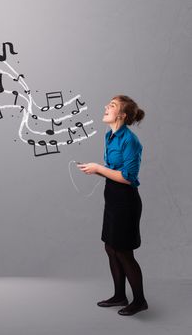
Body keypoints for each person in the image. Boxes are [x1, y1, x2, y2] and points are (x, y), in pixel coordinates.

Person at [77, 95, 148, 316]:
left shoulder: (131, 140)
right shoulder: (110, 135)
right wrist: (95, 169)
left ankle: (139, 301)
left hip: (126, 201)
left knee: (124, 252)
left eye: (112, 106)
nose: (106, 107)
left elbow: (128, 177)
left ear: (122, 115)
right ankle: (119, 295)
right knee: (110, 247)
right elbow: (113, 172)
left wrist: (98, 168)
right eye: (108, 104)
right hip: (113, 198)